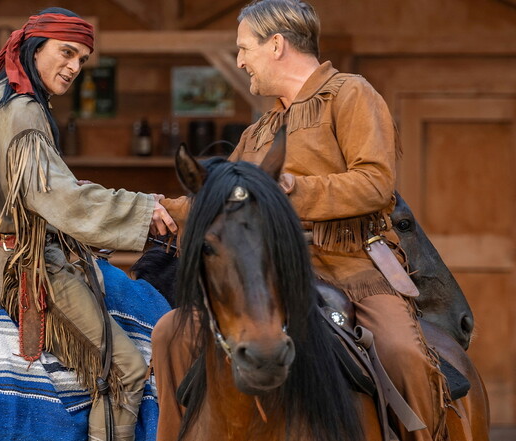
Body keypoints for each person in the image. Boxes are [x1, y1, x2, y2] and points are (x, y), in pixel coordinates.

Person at [155, 1, 448, 440]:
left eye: (243, 48)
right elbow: (216, 202)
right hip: (266, 273)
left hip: (353, 267)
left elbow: (376, 183)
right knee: (169, 334)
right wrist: (154, 208)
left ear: (276, 45)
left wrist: (292, 189)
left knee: (403, 354)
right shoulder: (259, 131)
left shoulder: (351, 94)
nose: (239, 61)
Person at [0, 8, 176, 441]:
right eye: (67, 52)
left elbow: (36, 188)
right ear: (34, 48)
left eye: (83, 59)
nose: (74, 67)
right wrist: (143, 210)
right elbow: (61, 200)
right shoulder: (23, 110)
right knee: (125, 369)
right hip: (18, 263)